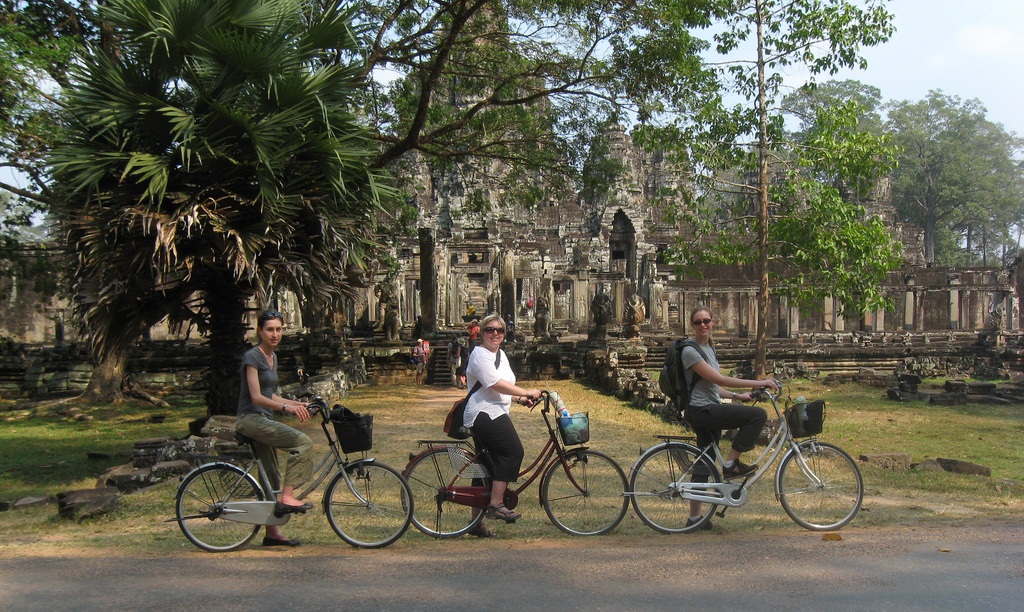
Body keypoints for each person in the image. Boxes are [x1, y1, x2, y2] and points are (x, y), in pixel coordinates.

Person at [682, 305, 779, 530]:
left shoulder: (708, 348)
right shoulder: (690, 351)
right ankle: (731, 463)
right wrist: (761, 381)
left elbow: (713, 388)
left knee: (703, 464)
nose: (703, 325)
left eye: (707, 320)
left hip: (706, 407)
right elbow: (720, 379)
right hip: (703, 411)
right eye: (698, 322)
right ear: (692, 325)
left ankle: (694, 519)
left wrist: (739, 396)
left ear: (713, 322)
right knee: (758, 415)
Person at [235, 309, 314, 547]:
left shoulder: (273, 357)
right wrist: (286, 409)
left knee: (271, 476)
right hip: (251, 419)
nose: (275, 334)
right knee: (303, 442)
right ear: (260, 331)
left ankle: (271, 533)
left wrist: (300, 404)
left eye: (279, 329)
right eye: (270, 329)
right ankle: (287, 497)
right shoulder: (253, 356)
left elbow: (272, 394)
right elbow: (257, 397)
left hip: (264, 420)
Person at [464, 313, 541, 538]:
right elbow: (494, 384)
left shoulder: (502, 356)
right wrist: (526, 391)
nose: (495, 334)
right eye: (490, 330)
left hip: (495, 410)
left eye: (499, 330)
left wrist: (519, 398)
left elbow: (504, 387)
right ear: (481, 333)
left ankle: (475, 524)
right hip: (483, 413)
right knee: (512, 451)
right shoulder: (479, 355)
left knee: (484, 470)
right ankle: (496, 503)